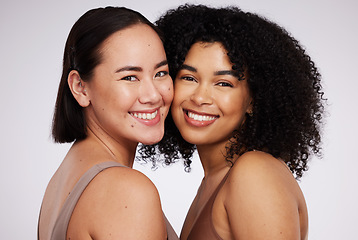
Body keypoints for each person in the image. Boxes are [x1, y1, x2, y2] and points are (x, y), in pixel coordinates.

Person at [146, 4, 325, 239]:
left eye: (224, 83)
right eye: (189, 77)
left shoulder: (255, 173)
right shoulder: (213, 181)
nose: (200, 98)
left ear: (254, 99)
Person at [38, 7, 178, 240]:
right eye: (129, 77)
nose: (153, 95)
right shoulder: (125, 190)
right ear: (80, 87)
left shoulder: (63, 179)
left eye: (161, 73)